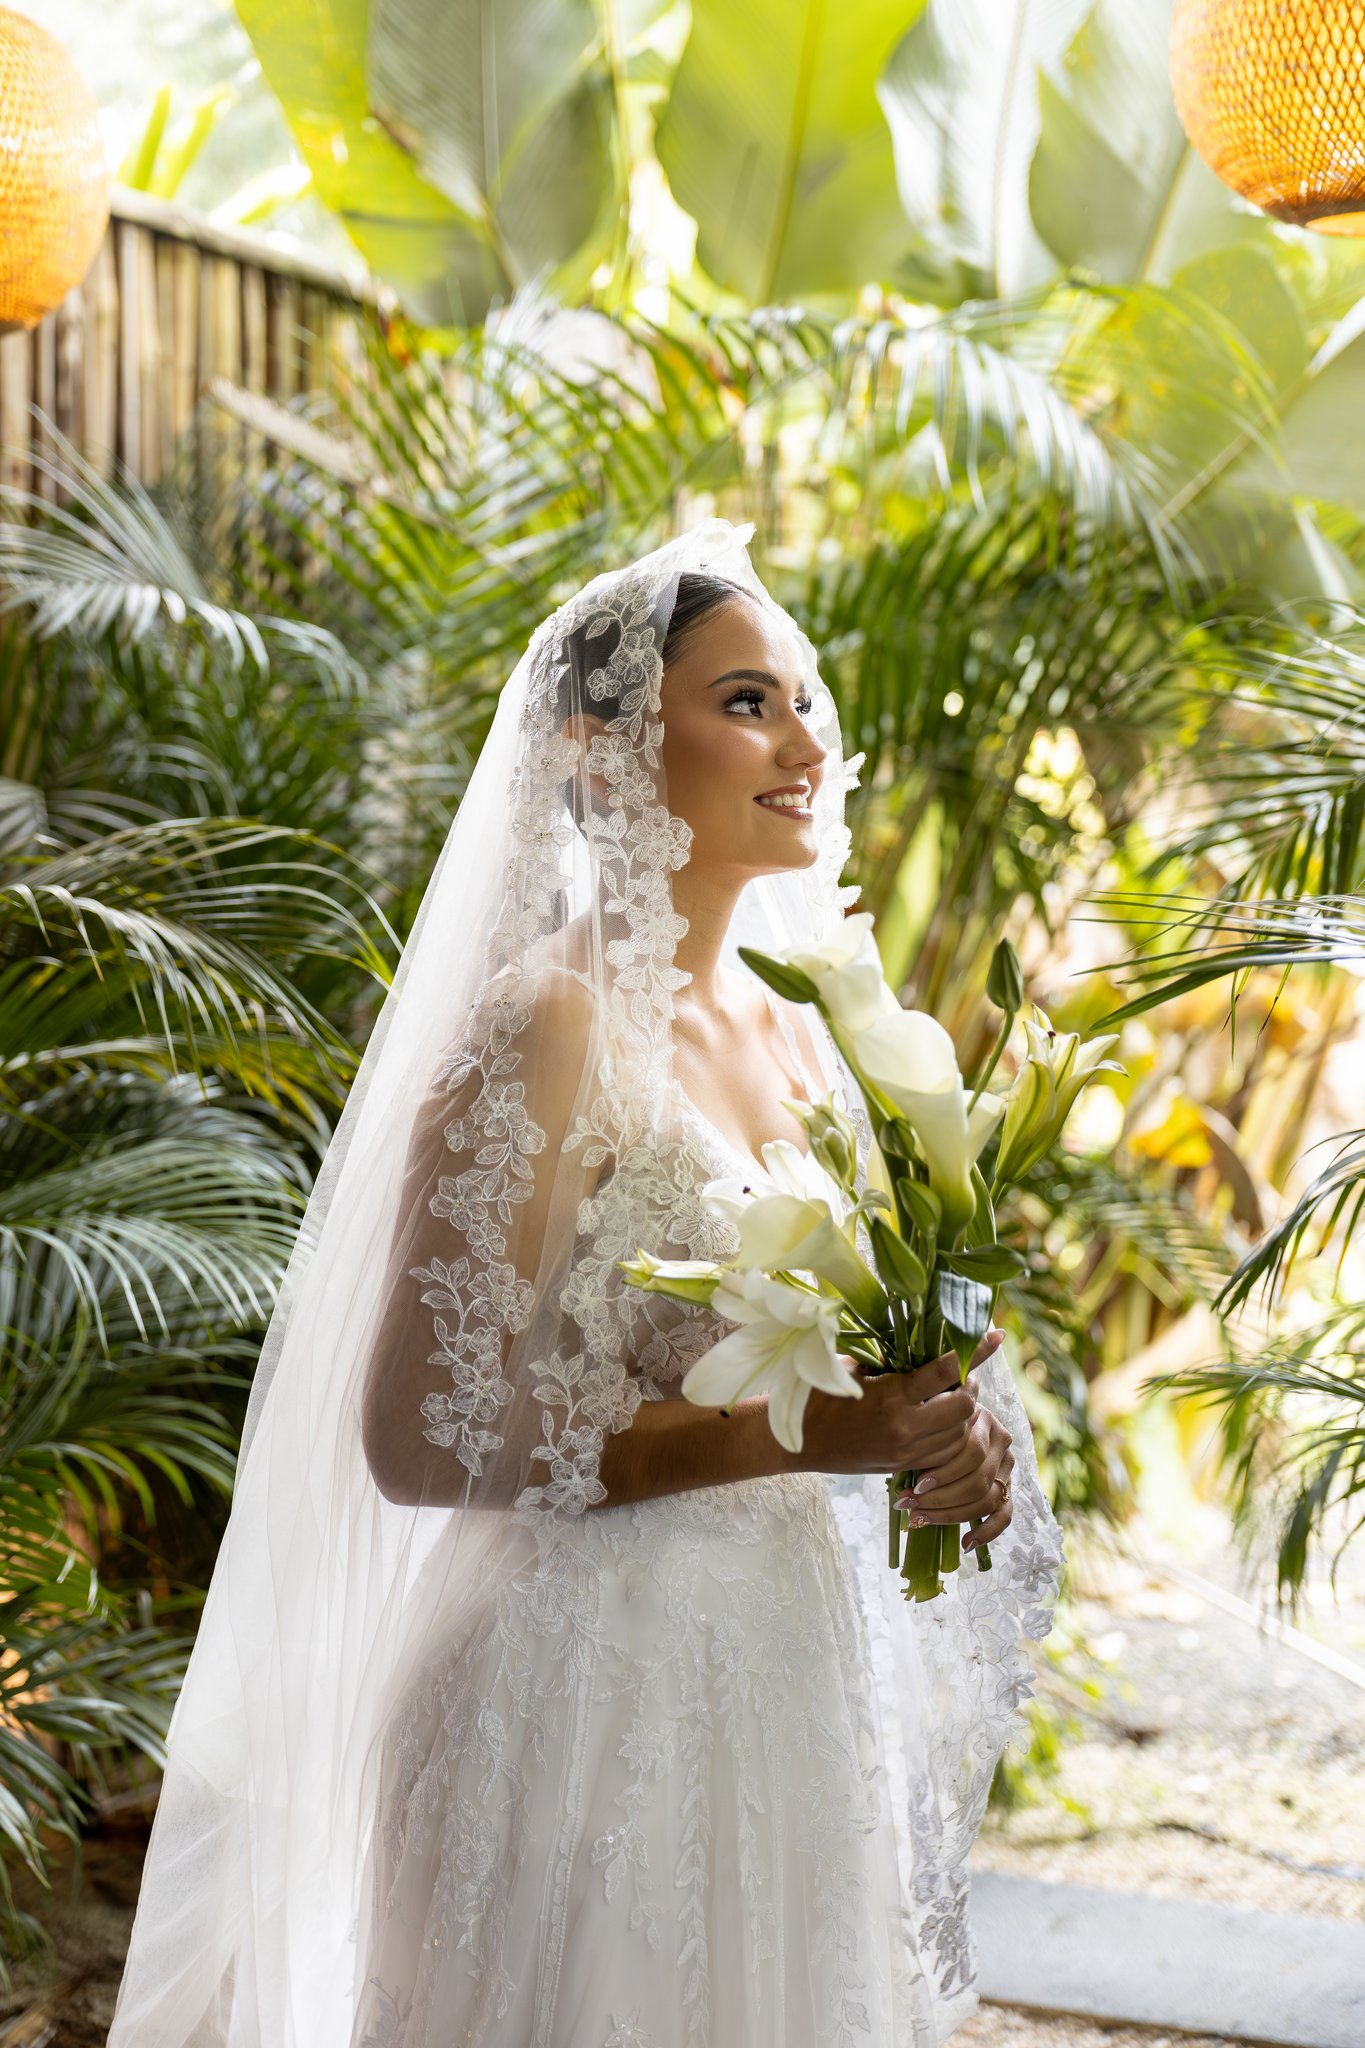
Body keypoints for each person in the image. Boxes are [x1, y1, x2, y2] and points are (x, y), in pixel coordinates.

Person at [107, 517, 1064, 2048]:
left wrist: (946, 1435)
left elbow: (865, 1352)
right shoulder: (548, 1027)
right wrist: (802, 1439)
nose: (802, 738)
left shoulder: (808, 1034)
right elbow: (420, 1433)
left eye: (804, 698)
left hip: (777, 1672)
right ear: (596, 746)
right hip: (572, 1701)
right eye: (746, 701)